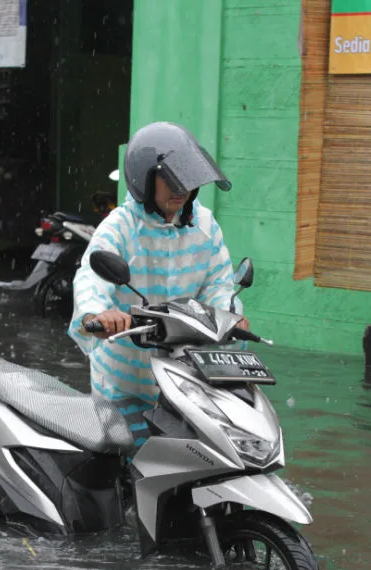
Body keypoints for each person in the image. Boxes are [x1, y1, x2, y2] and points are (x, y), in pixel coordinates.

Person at [68, 121, 247, 446]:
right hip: (125, 382)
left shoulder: (205, 226)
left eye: (188, 179)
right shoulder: (119, 228)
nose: (181, 189)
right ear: (144, 179)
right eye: (171, 178)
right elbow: (91, 279)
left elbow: (219, 285)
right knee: (125, 469)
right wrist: (99, 314)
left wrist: (231, 316)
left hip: (184, 378)